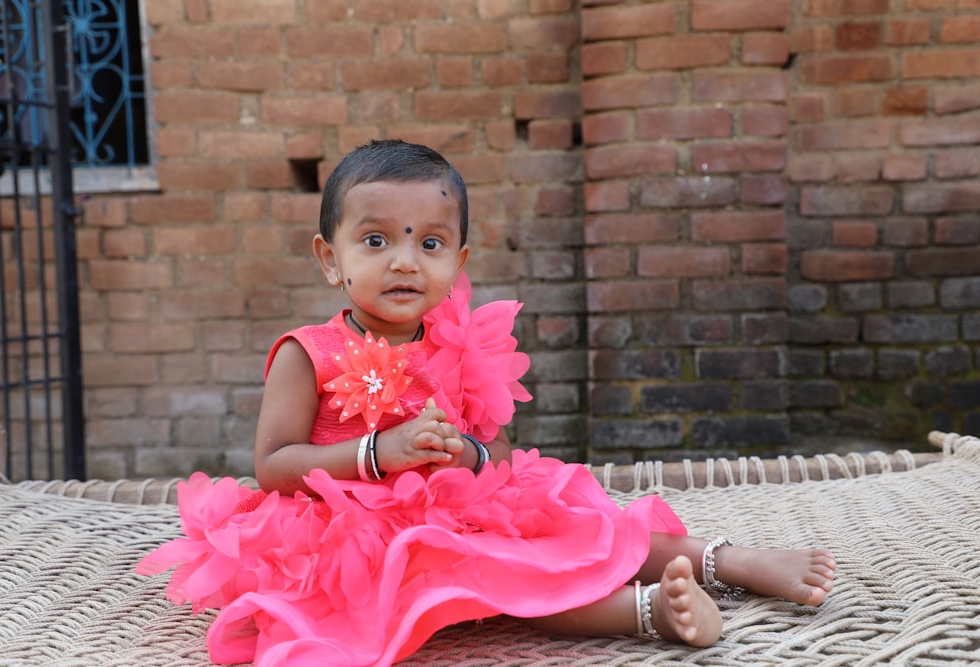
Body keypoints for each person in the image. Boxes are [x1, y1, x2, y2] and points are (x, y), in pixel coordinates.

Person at [137, 140, 836, 667]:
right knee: (492, 571)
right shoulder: (308, 352)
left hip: (460, 499)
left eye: (429, 242)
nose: (405, 261)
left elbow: (496, 453)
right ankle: (650, 610)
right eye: (376, 240)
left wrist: (464, 451)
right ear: (330, 257)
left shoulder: (462, 346)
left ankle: (730, 560)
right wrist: (378, 454)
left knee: (565, 524)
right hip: (351, 529)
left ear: (458, 262)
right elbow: (273, 465)